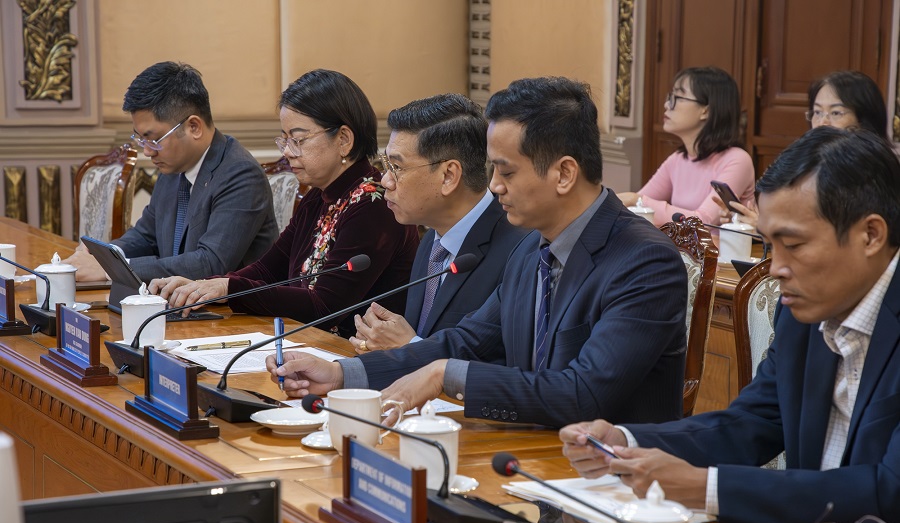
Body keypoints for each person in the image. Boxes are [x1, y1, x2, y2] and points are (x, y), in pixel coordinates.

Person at [267, 77, 688, 428]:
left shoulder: (643, 261)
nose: (494, 186)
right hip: (524, 456)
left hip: (612, 484)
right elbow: (467, 341)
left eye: (506, 171)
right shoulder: (533, 250)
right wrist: (343, 373)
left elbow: (582, 394)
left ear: (564, 173)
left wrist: (444, 375)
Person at [560, 126, 900, 523]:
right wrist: (625, 441)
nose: (775, 270)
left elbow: (888, 491)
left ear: (871, 234)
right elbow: (749, 424)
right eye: (769, 246)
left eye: (794, 245)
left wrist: (707, 487)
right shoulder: (803, 314)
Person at [151, 69, 419, 337]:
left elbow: (324, 306)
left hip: (356, 359)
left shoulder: (374, 205)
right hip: (309, 346)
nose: (287, 151)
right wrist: (204, 287)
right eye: (285, 139)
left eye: (298, 139)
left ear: (343, 140)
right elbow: (268, 268)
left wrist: (229, 290)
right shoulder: (318, 196)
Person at [63, 61, 278, 282]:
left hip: (232, 313)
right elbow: (146, 237)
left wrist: (111, 270)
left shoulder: (240, 175)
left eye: (154, 139)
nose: (147, 151)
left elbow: (209, 263)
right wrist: (103, 255)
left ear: (193, 127)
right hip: (176, 304)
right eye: (141, 138)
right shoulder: (173, 169)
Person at [349, 93, 529, 354]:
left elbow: (503, 367)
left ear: (448, 175)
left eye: (397, 167)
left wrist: (409, 349)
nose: (386, 181)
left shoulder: (520, 250)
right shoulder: (432, 242)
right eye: (386, 164)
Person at [716, 70, 889, 226]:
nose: (822, 122)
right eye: (817, 112)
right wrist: (751, 222)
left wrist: (766, 227)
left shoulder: (873, 172)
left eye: (836, 113)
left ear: (864, 119)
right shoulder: (804, 160)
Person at [618, 66, 755, 227]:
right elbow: (633, 207)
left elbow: (704, 222)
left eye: (677, 97)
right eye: (670, 96)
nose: (667, 105)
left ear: (706, 111)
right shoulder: (677, 160)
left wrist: (637, 200)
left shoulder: (737, 160)